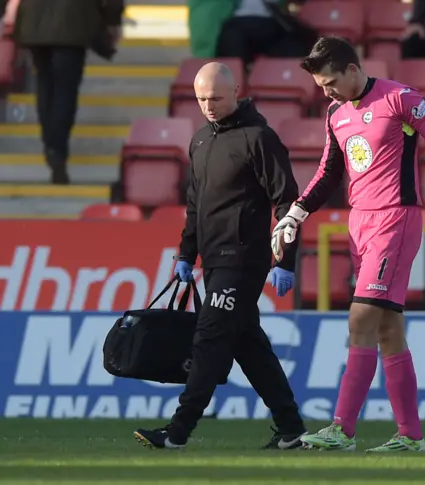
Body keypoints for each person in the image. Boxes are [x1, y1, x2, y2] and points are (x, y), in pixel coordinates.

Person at [271, 37, 425, 452]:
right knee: (387, 330)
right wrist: (296, 212)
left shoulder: (399, 99)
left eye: (329, 82)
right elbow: (329, 173)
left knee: (360, 318)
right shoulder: (336, 113)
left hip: (396, 219)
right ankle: (410, 436)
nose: (325, 91)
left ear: (352, 69)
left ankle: (342, 429)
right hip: (359, 224)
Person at [134, 62, 307, 450]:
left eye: (214, 97)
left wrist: (286, 258)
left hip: (244, 259)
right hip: (212, 261)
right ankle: (291, 427)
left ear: (235, 92)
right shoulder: (199, 141)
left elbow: (287, 202)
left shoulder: (259, 138)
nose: (208, 105)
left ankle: (177, 431)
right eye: (200, 99)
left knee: (209, 340)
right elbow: (195, 205)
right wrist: (186, 253)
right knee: (249, 345)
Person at [1, 0, 123, 184]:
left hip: (34, 18)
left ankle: (50, 141)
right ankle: (57, 148)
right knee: (65, 89)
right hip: (73, 20)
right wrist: (112, 19)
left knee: (45, 83)